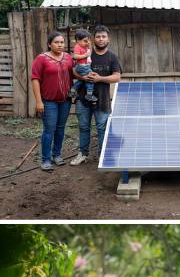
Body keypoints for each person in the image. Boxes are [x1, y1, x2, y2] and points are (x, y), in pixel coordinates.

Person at [70, 24, 122, 166]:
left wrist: (100, 79)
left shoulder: (112, 57)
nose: (101, 39)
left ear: (108, 39)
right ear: (92, 39)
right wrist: (83, 78)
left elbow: (117, 77)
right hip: (83, 99)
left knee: (102, 128)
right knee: (84, 127)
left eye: (103, 36)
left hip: (102, 100)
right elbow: (74, 70)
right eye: (98, 36)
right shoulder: (85, 54)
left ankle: (102, 155)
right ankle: (83, 154)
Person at [31, 31, 74, 172]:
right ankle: (45, 159)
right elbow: (35, 79)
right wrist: (38, 101)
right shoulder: (41, 59)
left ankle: (57, 155)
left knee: (61, 128)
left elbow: (74, 74)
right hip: (48, 101)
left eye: (62, 42)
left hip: (65, 100)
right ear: (50, 44)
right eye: (56, 42)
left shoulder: (68, 58)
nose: (60, 45)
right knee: (49, 130)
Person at [68, 29, 97, 104]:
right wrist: (85, 55)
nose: (87, 42)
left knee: (82, 80)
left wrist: (89, 46)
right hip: (82, 66)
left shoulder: (85, 47)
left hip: (85, 66)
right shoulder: (78, 46)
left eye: (88, 41)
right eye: (85, 41)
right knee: (91, 78)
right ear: (78, 40)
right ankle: (89, 95)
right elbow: (75, 56)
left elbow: (89, 53)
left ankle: (73, 91)